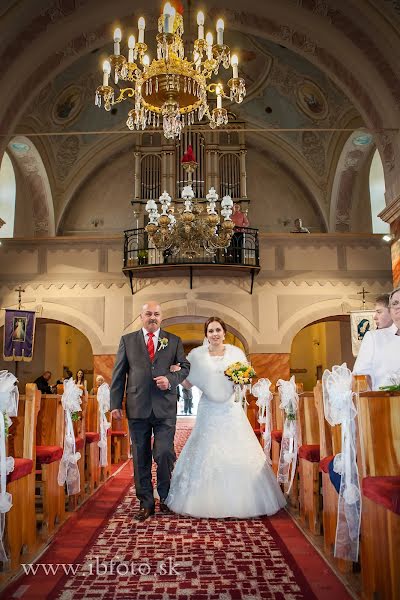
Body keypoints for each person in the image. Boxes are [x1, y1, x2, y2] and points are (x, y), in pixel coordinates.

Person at [166, 317, 286, 518]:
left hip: (230, 407)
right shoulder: (197, 356)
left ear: (224, 332)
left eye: (218, 330)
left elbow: (244, 379)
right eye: (211, 331)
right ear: (206, 334)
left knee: (237, 447)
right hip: (208, 408)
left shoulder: (235, 353)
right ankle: (200, 499)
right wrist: (177, 373)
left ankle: (242, 499)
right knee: (206, 447)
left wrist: (241, 382)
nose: (214, 334)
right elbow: (188, 384)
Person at [110, 300, 190, 522]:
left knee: (164, 453)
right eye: (148, 314)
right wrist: (115, 403)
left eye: (156, 314)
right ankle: (145, 502)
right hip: (137, 406)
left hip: (165, 406)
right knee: (140, 456)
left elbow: (185, 367)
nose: (152, 317)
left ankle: (165, 497)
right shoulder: (128, 341)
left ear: (161, 317)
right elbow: (119, 373)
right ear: (141, 317)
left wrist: (171, 379)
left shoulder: (173, 341)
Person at [353, 287, 400, 389]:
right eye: (395, 304)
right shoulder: (374, 338)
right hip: (384, 401)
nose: (398, 308)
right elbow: (360, 377)